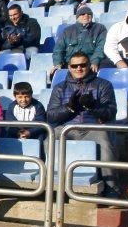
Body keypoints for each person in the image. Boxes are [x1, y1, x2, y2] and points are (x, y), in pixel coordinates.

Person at [47, 51, 121, 198]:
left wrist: (93, 106)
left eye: (82, 65)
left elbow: (110, 113)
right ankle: (53, 184)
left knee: (105, 141)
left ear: (89, 66)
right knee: (48, 139)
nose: (78, 68)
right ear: (69, 67)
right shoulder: (60, 88)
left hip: (92, 127)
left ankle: (111, 186)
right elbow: (51, 115)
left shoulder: (104, 85)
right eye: (74, 66)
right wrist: (69, 107)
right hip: (67, 127)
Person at [52, 6, 107, 74]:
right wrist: (57, 63)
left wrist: (94, 61)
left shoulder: (100, 28)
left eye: (89, 14)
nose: (86, 15)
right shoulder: (67, 31)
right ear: (77, 17)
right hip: (71, 64)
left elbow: (100, 47)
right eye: (82, 14)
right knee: (54, 73)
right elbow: (58, 49)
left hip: (89, 64)